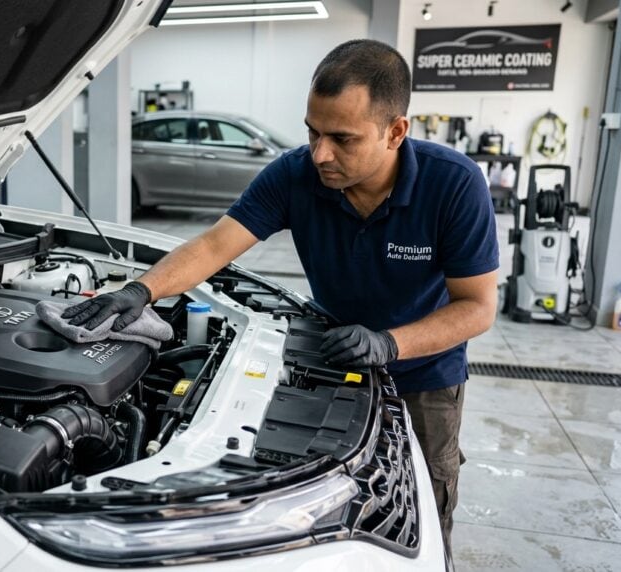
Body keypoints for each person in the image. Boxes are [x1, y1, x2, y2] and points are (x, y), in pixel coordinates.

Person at [62, 39, 499, 559]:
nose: (320, 154)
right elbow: (214, 245)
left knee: (421, 513)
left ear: (396, 131)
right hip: (332, 359)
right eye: (313, 132)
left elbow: (477, 306)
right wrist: (140, 290)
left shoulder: (453, 184)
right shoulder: (296, 174)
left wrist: (389, 344)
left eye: (342, 138)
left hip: (425, 378)